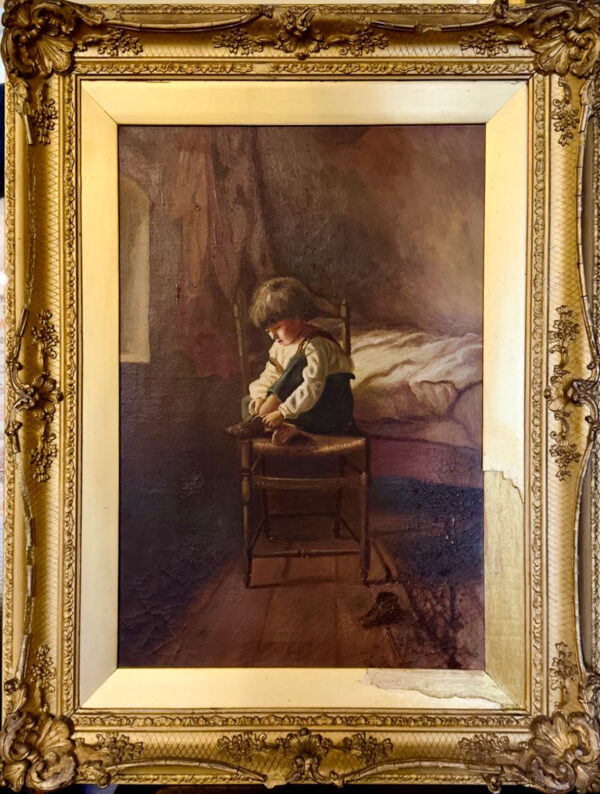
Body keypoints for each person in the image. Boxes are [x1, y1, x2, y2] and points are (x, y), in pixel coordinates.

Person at [226, 277, 355, 445]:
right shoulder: (279, 347)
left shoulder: (316, 345)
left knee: (299, 361)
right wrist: (259, 397)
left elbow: (312, 387)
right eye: (268, 331)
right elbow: (270, 376)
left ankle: (267, 422)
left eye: (277, 328)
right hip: (302, 408)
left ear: (298, 316)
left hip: (329, 410)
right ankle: (286, 428)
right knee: (247, 402)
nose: (273, 336)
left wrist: (282, 412)